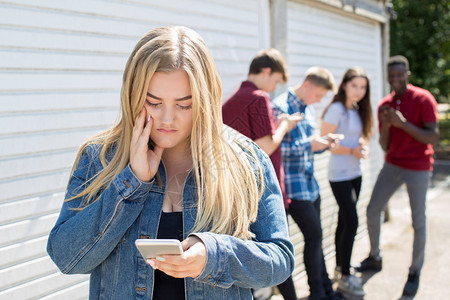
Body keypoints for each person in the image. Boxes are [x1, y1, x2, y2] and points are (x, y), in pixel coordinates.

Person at [47, 26, 295, 300]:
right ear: (133, 96)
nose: (167, 118)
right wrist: (131, 183)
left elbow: (279, 261)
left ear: (206, 100)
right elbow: (66, 258)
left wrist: (213, 255)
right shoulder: (100, 157)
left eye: (184, 105)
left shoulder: (244, 159)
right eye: (153, 102)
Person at [355, 55, 439, 297]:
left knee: (418, 222)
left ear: (408, 75)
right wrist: (389, 126)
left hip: (418, 167)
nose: (396, 79)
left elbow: (432, 137)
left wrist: (403, 124)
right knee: (373, 209)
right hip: (393, 165)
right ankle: (375, 256)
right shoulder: (385, 105)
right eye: (391, 76)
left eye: (400, 75)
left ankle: (414, 272)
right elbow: (384, 145)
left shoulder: (423, 99)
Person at [222, 49, 301, 300]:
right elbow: (265, 146)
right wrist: (285, 126)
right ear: (266, 72)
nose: (274, 87)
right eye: (276, 80)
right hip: (262, 190)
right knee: (277, 253)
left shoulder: (230, 101)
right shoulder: (259, 98)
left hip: (235, 191)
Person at [272, 67, 344, 300]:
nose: (319, 100)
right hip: (293, 188)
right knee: (314, 237)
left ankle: (323, 290)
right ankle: (317, 293)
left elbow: (307, 148)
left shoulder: (309, 109)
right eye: (318, 95)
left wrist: (323, 144)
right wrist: (310, 145)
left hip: (310, 186)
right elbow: (274, 150)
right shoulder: (280, 107)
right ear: (307, 85)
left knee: (316, 238)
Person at [320, 67, 374, 298]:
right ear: (344, 85)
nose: (359, 91)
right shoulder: (336, 109)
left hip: (355, 172)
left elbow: (358, 136)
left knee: (344, 221)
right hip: (339, 175)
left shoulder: (356, 108)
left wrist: (361, 146)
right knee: (352, 222)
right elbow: (325, 141)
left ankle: (340, 268)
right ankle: (345, 276)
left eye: (363, 87)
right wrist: (352, 150)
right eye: (355, 86)